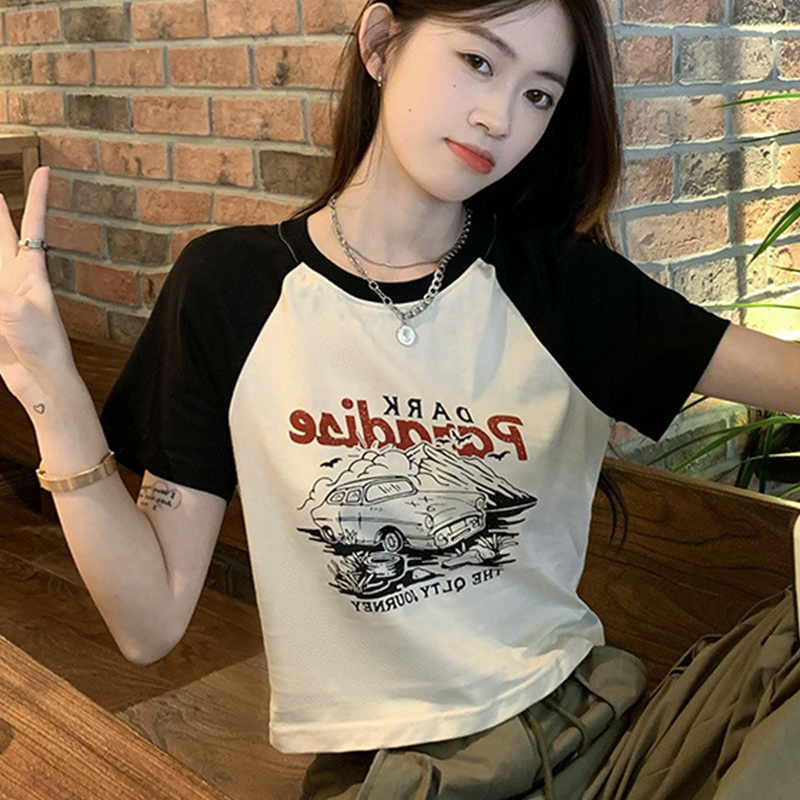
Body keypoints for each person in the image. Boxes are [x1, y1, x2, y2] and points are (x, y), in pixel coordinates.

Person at [1, 0, 799, 797]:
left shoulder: (563, 286)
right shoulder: (232, 290)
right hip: (388, 776)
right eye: (478, 62)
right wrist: (50, 385)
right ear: (381, 44)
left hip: (594, 741)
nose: (499, 118)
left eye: (538, 95)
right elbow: (148, 625)